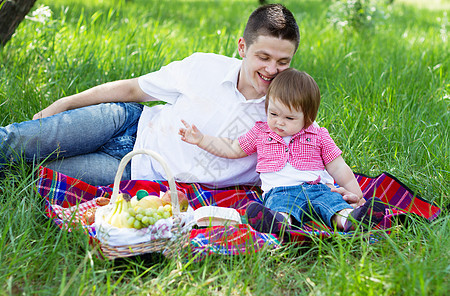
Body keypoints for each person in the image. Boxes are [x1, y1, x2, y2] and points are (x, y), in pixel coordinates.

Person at [0, 4, 360, 205]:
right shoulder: (203, 66)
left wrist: (339, 189)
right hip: (126, 123)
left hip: (135, 171)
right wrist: (66, 102)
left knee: (33, 171)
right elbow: (131, 90)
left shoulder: (286, 114)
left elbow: (308, 162)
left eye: (283, 62)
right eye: (263, 57)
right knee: (14, 142)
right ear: (242, 47)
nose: (271, 70)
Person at [179, 68, 386, 234]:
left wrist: (357, 195)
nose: (279, 122)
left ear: (308, 118)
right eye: (274, 113)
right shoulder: (261, 132)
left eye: (289, 118)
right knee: (281, 208)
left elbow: (339, 167)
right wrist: (201, 139)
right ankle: (277, 224)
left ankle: (352, 219)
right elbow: (233, 148)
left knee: (333, 205)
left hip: (318, 188)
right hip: (280, 191)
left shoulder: (318, 135)